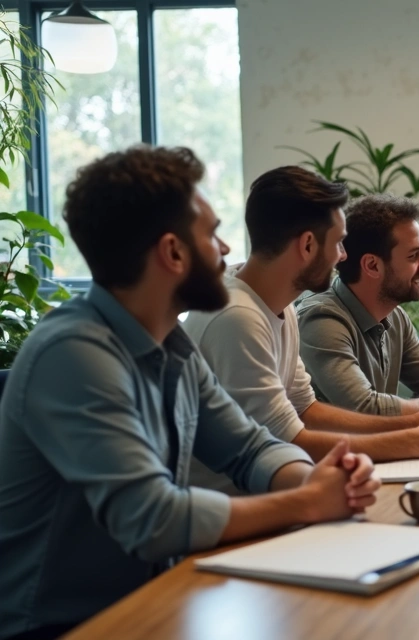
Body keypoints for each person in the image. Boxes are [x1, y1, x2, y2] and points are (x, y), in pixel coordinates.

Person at [0, 147, 380, 640]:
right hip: (63, 627)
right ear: (173, 253)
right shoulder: (73, 354)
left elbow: (248, 447)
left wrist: (314, 479)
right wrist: (308, 501)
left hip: (154, 600)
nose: (226, 248)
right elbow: (153, 518)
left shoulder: (170, 343)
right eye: (211, 233)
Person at [184, 167, 419, 493]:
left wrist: (417, 424)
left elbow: (306, 410)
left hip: (271, 493)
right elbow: (290, 438)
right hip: (237, 505)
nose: (343, 256)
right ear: (308, 245)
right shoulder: (237, 317)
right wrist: (415, 439)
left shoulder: (277, 304)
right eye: (339, 242)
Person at [297, 194, 419, 414]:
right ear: (372, 266)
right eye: (413, 256)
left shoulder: (394, 316)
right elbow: (365, 409)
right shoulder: (321, 320)